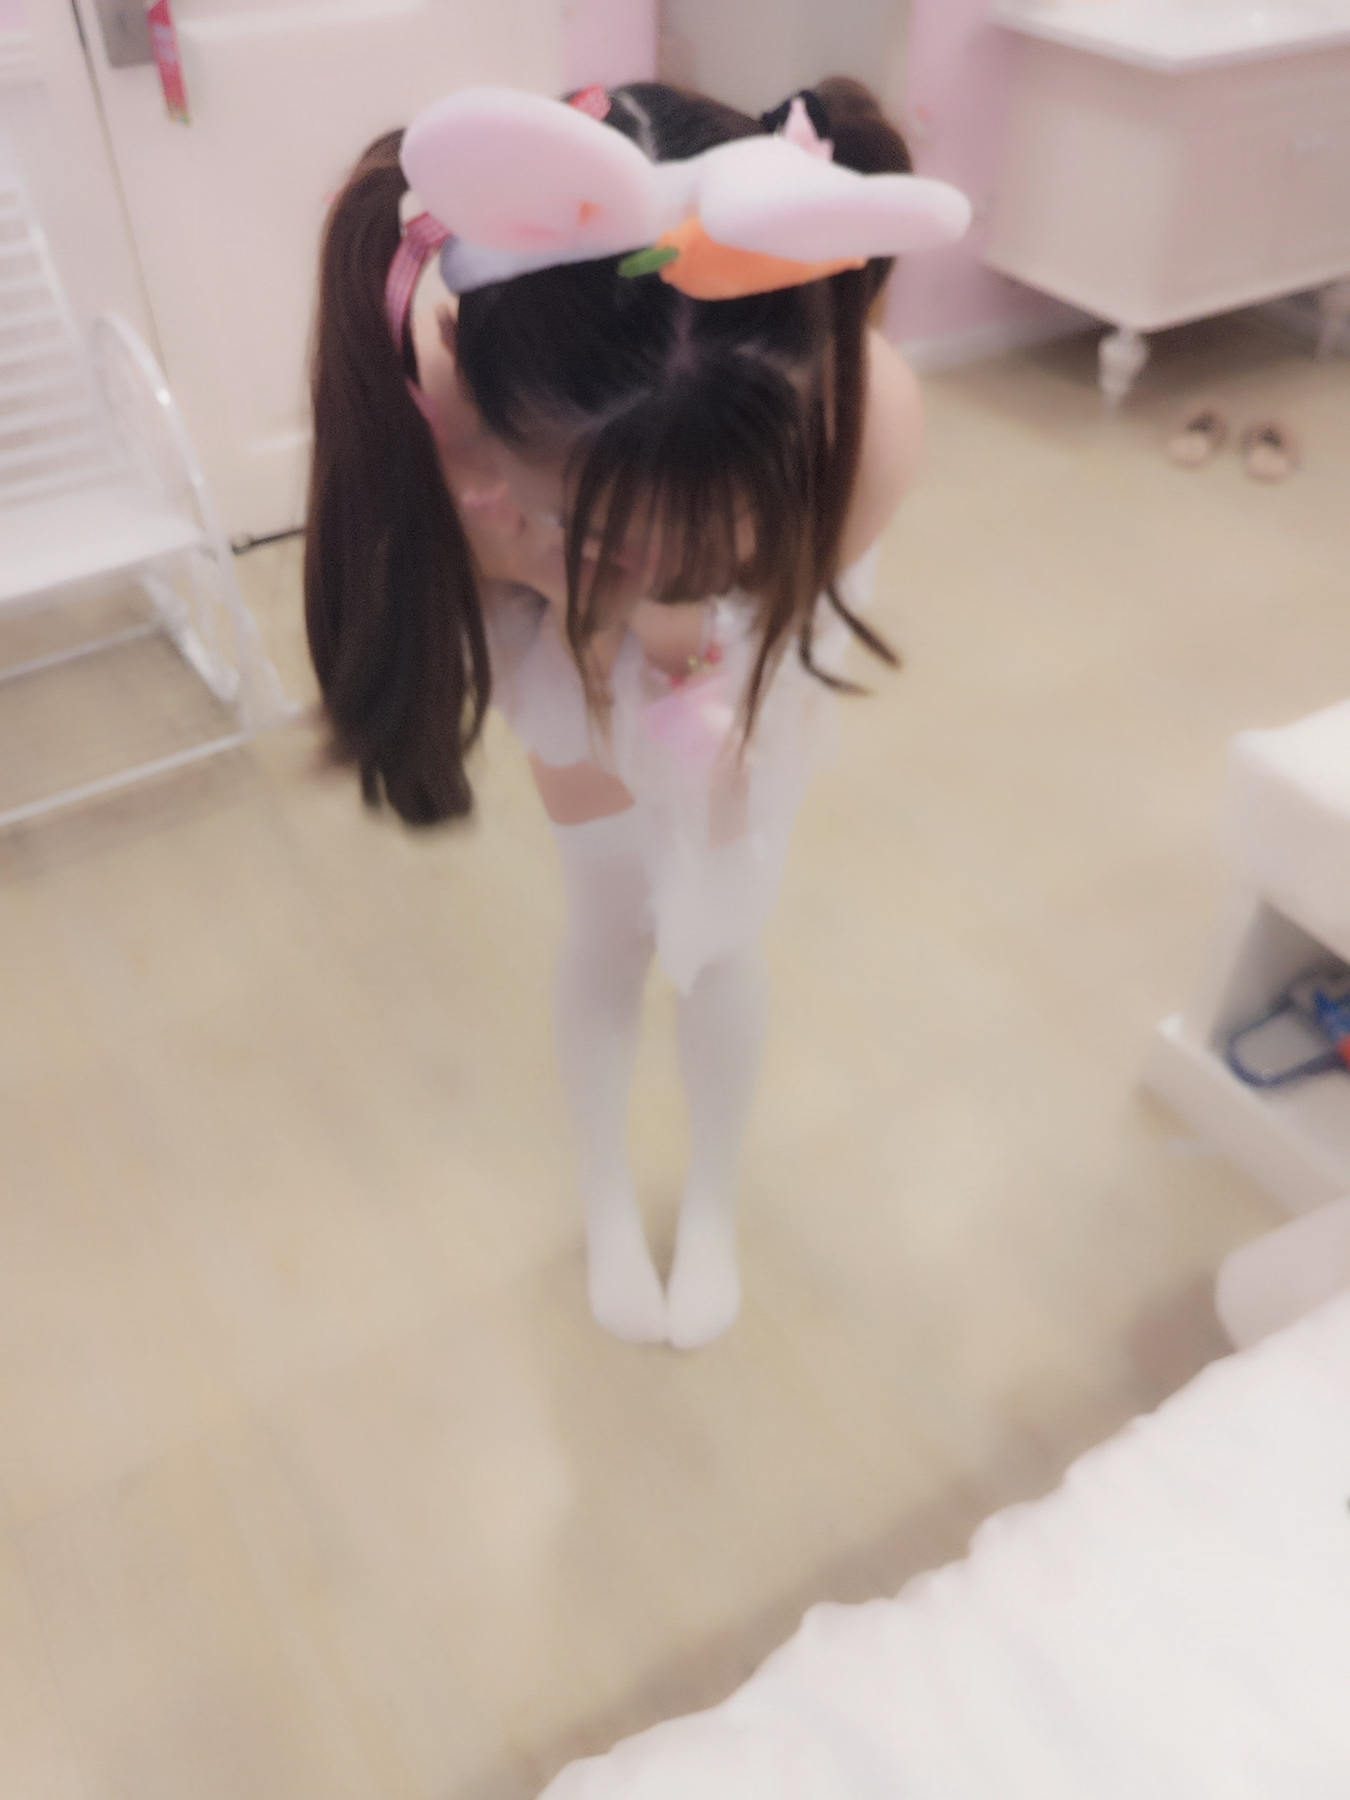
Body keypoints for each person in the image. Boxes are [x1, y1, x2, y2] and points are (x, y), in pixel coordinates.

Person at [304, 78, 963, 1348]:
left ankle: (708, 1206)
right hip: (567, 643)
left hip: (748, 654)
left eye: (704, 531)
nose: (657, 559)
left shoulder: (866, 426)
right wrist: (571, 590)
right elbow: (495, 624)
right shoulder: (448, 444)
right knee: (609, 921)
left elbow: (753, 629)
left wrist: (680, 620)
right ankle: (610, 1206)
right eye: (601, 523)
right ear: (492, 439)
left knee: (723, 932)